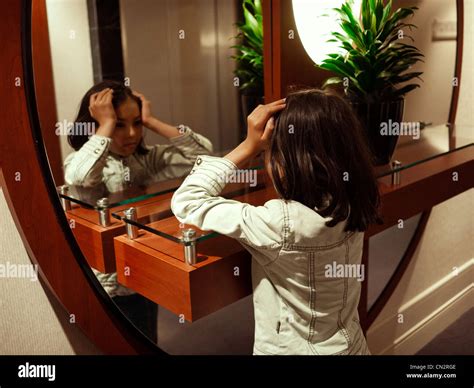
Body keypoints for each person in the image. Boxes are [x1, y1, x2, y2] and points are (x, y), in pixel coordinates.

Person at [171, 88, 381, 355]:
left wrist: (249, 145)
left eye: (270, 151)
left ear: (286, 161)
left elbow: (187, 202)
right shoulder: (353, 201)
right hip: (351, 345)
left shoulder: (279, 223)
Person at [64, 80, 213, 343]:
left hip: (141, 278)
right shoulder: (81, 160)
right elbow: (80, 176)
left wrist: (152, 121)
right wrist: (106, 127)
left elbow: (204, 153)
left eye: (137, 123)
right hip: (104, 287)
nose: (132, 134)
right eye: (119, 124)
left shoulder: (145, 159)